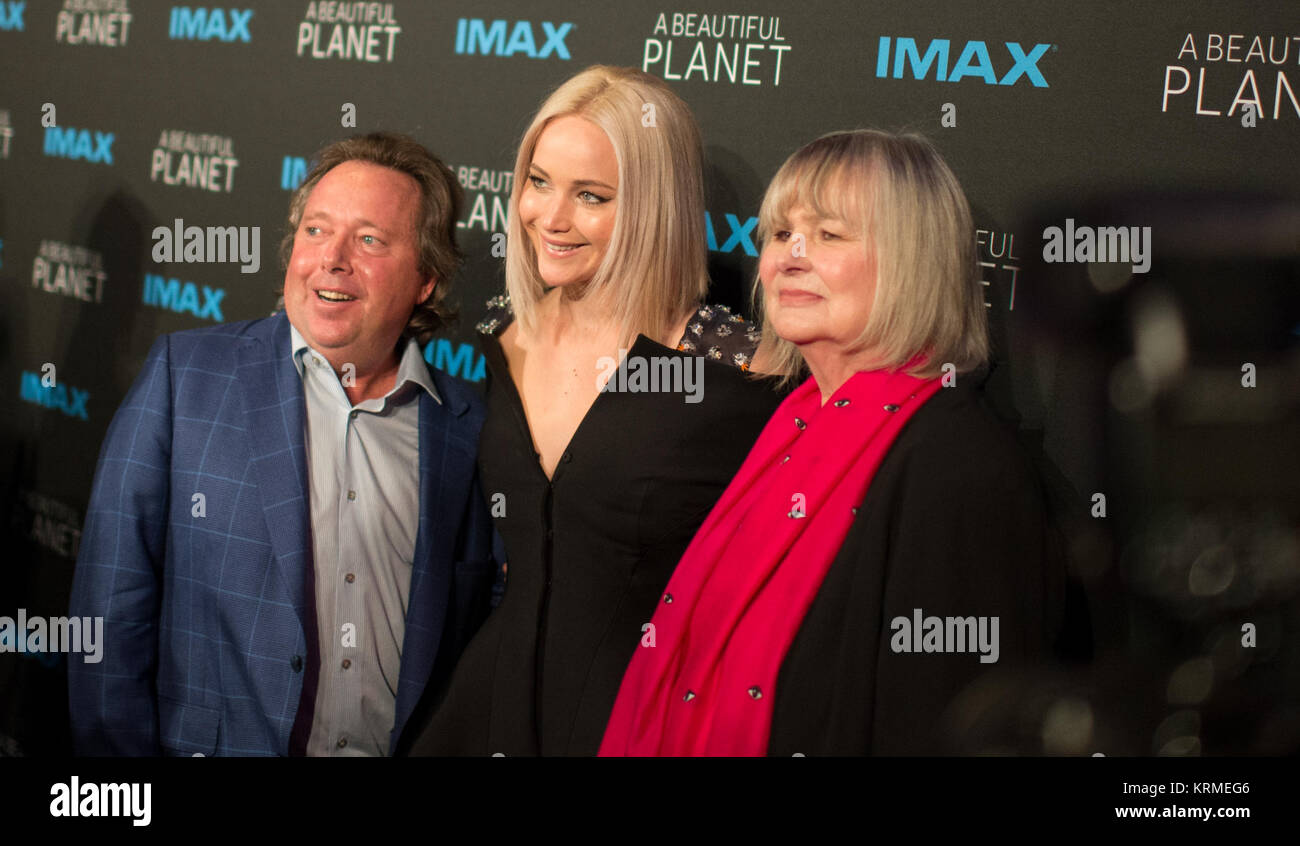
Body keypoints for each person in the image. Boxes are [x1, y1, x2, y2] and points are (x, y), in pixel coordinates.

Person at [600, 129, 1066, 756]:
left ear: (912, 261)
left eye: (829, 234)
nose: (789, 257)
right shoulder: (787, 422)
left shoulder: (956, 464)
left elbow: (947, 724)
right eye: (780, 234)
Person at [68, 132, 496, 756]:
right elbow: (109, 614)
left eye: (370, 239)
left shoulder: (468, 427)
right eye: (317, 230)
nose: (333, 259)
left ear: (426, 279)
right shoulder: (185, 378)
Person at [404, 66, 785, 756]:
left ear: (653, 206)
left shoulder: (741, 370)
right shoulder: (504, 339)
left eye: (591, 196)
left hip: (647, 718)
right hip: (490, 703)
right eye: (539, 181)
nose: (550, 217)